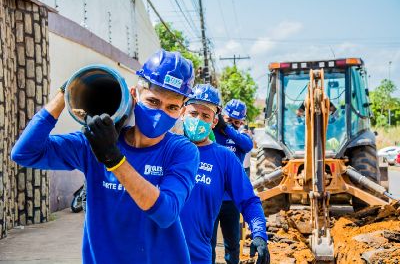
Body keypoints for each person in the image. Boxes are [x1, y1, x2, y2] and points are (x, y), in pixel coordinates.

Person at [11, 50, 200, 264]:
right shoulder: (96, 142)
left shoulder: (182, 151)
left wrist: (114, 159)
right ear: (135, 95)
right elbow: (25, 153)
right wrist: (67, 91)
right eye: (153, 102)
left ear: (181, 111)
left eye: (172, 107)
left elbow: (166, 213)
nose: (160, 113)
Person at [180, 84, 269, 264]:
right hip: (160, 255)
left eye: (206, 116)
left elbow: (249, 200)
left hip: (198, 257)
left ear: (214, 122)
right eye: (193, 113)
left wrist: (259, 233)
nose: (198, 120)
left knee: (231, 242)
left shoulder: (224, 157)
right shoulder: (166, 147)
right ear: (182, 113)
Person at [212, 99, 254, 264]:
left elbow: (248, 145)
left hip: (231, 200)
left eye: (237, 122)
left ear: (242, 122)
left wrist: (227, 128)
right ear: (222, 116)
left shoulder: (240, 137)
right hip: (212, 197)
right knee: (209, 241)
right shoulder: (213, 133)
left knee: (232, 243)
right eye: (229, 120)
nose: (233, 124)